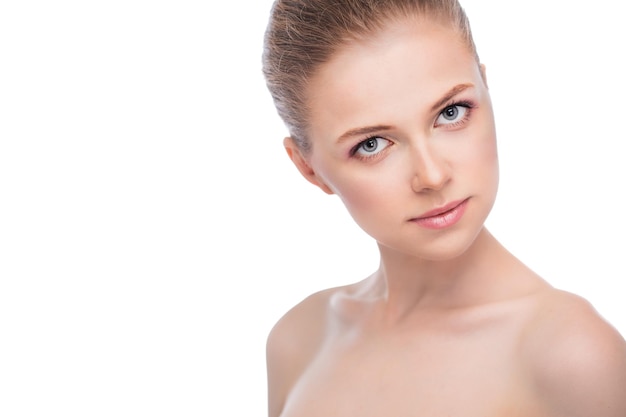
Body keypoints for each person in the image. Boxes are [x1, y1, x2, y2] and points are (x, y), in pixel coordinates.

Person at [261, 0, 626, 416]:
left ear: (485, 89)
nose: (432, 176)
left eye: (451, 113)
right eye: (372, 144)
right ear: (308, 168)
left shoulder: (572, 355)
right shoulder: (297, 341)